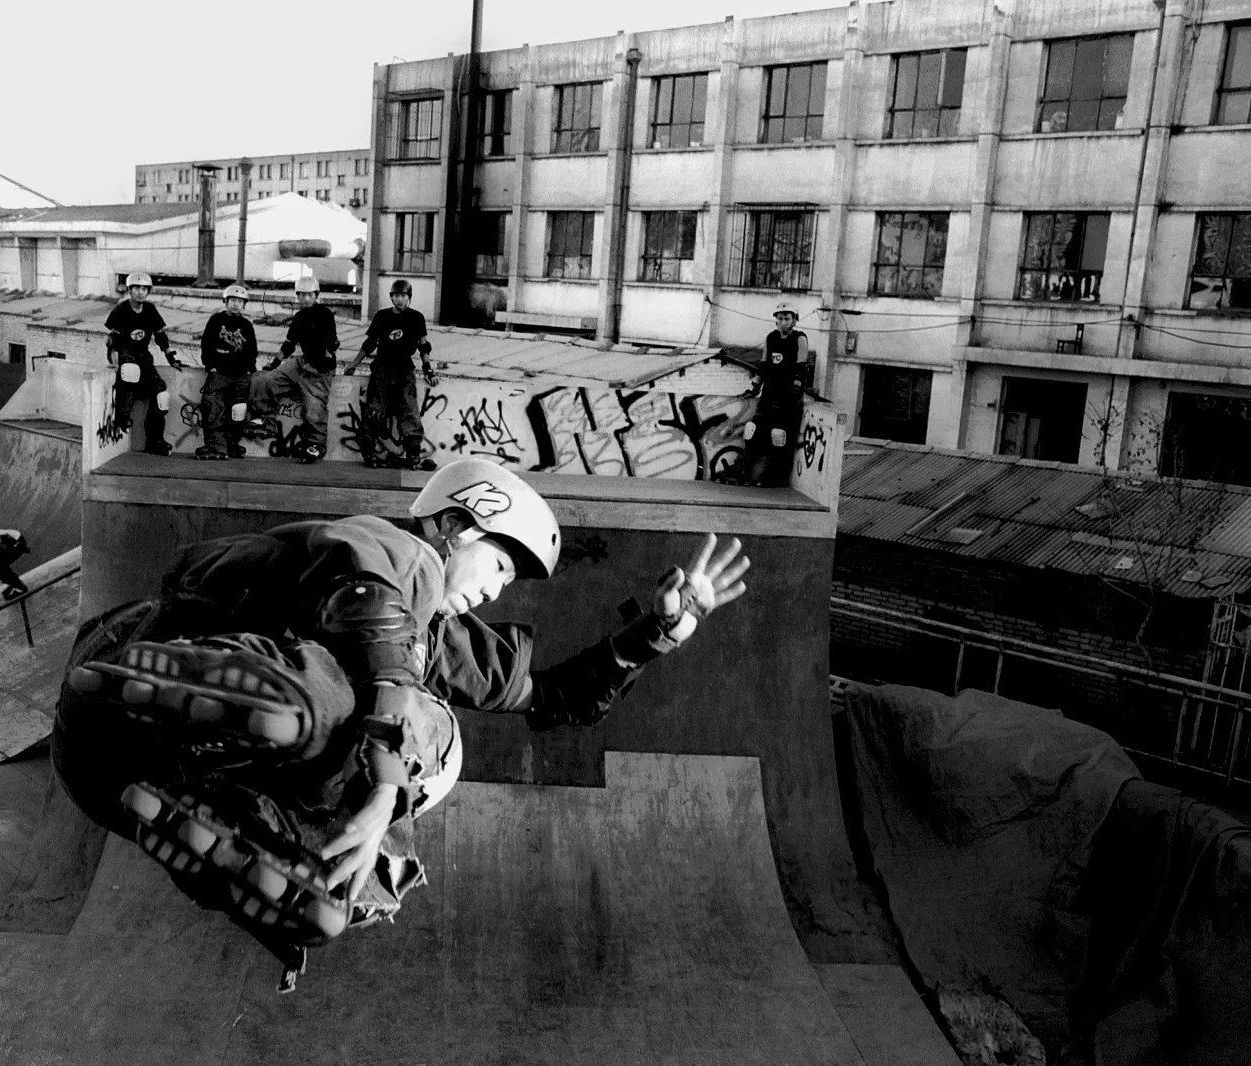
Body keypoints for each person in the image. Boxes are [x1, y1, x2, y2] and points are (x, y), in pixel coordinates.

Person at [54, 458, 750, 990]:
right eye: (498, 565)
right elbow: (374, 616)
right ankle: (279, 710)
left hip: (107, 765)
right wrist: (386, 786)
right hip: (136, 651)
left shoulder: (439, 635)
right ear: (456, 526)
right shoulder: (395, 549)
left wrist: (655, 634)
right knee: (371, 702)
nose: (494, 591)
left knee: (357, 872)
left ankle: (254, 840)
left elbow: (550, 695)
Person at [344, 279, 438, 471]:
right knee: (374, 410)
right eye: (396, 296)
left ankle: (413, 453)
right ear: (391, 297)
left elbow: (423, 346)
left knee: (409, 410)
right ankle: (368, 452)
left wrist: (428, 369)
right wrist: (354, 363)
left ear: (409, 297)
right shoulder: (382, 316)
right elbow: (370, 343)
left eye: (403, 296)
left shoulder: (416, 318)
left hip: (404, 368)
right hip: (382, 368)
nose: (399, 299)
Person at [250, 276, 336, 463]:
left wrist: (326, 354)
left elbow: (331, 341)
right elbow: (289, 344)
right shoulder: (299, 317)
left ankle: (316, 444)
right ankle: (267, 421)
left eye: (309, 295)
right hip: (301, 363)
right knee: (266, 380)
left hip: (319, 368)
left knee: (314, 406)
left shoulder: (325, 314)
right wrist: (274, 363)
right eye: (302, 295)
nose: (305, 299)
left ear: (316, 295)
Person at [105, 272, 183, 457]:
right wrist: (114, 358)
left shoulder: (150, 310)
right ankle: (123, 415)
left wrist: (171, 359)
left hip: (143, 356)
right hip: (124, 353)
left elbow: (160, 336)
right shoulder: (121, 310)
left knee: (161, 393)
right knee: (130, 371)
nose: (140, 292)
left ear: (148, 291)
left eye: (143, 289)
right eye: (136, 288)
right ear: (129, 290)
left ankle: (155, 440)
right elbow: (113, 338)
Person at [733, 301, 810, 488]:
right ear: (776, 320)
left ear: (794, 320)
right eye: (780, 318)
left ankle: (775, 475)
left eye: (787, 318)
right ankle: (743, 470)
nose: (783, 322)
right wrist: (755, 387)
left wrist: (795, 390)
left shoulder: (800, 338)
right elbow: (764, 365)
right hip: (769, 394)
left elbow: (801, 368)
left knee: (779, 436)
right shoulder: (771, 337)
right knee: (752, 432)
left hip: (788, 398)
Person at [196, 284, 259, 461]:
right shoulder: (216, 320)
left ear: (244, 304)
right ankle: (215, 445)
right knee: (212, 406)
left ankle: (231, 444)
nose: (236, 304)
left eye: (240, 301)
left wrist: (250, 369)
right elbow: (206, 343)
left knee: (238, 409)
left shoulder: (246, 324)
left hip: (240, 374)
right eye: (232, 300)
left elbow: (252, 349)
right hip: (220, 373)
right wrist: (210, 366)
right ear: (225, 301)